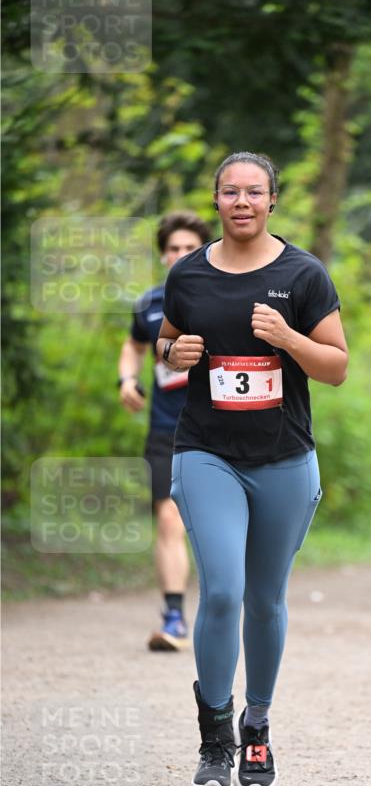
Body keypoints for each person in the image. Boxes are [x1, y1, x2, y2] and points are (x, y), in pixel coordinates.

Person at [157, 151, 348, 786]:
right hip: (206, 450)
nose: (242, 202)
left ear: (272, 201)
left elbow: (336, 366)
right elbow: (170, 342)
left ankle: (257, 727)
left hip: (285, 458)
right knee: (220, 591)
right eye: (230, 192)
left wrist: (289, 338)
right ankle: (215, 739)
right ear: (216, 200)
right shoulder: (188, 275)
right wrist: (170, 350)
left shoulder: (304, 274)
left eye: (254, 192)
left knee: (264, 600)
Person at [118, 211, 211, 649]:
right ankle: (174, 617)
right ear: (162, 254)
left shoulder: (227, 295)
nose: (180, 255)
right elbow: (133, 345)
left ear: (205, 251)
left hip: (223, 431)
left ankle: (228, 609)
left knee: (214, 527)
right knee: (169, 519)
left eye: (189, 248)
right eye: (173, 248)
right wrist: (126, 379)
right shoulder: (150, 303)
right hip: (167, 430)